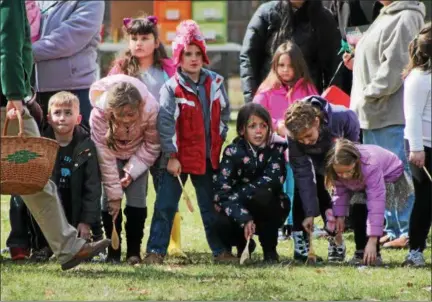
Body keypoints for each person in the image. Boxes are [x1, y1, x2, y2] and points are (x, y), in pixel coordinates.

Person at [0, 0, 110, 271]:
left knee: (36, 175)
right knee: (35, 173)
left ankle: (68, 246)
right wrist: (15, 93)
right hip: (8, 99)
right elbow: (9, 42)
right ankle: (67, 246)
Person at [143, 20, 235, 264]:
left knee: (210, 207)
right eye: (187, 54)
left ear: (204, 55)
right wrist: (171, 156)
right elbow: (165, 123)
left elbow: (224, 113)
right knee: (165, 206)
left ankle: (221, 251)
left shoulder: (215, 83)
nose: (193, 59)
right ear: (178, 57)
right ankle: (155, 251)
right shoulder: (171, 88)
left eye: (197, 54)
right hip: (178, 160)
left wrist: (220, 137)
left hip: (206, 157)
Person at [343, 0, 425, 248]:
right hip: (372, 112)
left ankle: (405, 230)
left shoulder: (407, 16)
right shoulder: (386, 14)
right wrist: (356, 63)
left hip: (389, 111)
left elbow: (397, 65)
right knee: (379, 175)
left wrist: (368, 93)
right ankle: (392, 228)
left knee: (397, 172)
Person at [107, 15, 184, 258]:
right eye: (134, 38)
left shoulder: (168, 69)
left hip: (160, 140)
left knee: (166, 192)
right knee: (131, 194)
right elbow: (108, 100)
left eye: (145, 38)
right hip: (130, 142)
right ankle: (123, 247)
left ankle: (172, 243)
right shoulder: (120, 69)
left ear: (156, 41)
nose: (139, 43)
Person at [89, 75, 160, 265]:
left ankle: (134, 252)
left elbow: (153, 145)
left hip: (139, 155)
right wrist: (114, 195)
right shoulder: (98, 115)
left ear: (140, 107)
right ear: (111, 111)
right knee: (109, 202)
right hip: (111, 157)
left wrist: (132, 171)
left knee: (137, 201)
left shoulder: (150, 109)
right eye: (122, 115)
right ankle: (113, 252)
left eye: (131, 114)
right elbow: (104, 157)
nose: (127, 120)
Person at [253, 40, 317, 240]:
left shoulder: (307, 89)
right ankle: (280, 224)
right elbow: (256, 115)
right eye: (281, 65)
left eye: (290, 66)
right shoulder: (266, 90)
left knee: (298, 187)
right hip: (275, 150)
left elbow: (317, 112)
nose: (286, 70)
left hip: (301, 150)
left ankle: (295, 223)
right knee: (279, 188)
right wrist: (276, 125)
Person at [284, 95, 360, 262]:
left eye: (308, 135)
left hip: (339, 157)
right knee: (302, 186)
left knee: (335, 192)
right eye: (300, 139)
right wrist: (310, 213)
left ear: (317, 122)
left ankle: (336, 238)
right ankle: (302, 244)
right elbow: (303, 174)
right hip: (313, 161)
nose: (305, 141)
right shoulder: (293, 133)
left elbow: (353, 150)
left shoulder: (342, 117)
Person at [28, 92, 102, 262]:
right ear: (48, 118)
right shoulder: (41, 143)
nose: (62, 118)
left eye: (68, 113)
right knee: (38, 201)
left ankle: (88, 240)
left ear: (78, 118)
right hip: (50, 202)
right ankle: (42, 247)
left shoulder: (87, 145)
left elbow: (92, 187)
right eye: (57, 113)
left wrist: (86, 221)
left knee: (88, 206)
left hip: (75, 201)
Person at [213, 103, 291, 263]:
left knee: (266, 196)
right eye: (252, 126)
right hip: (238, 207)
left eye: (263, 126)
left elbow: (274, 180)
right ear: (242, 130)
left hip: (267, 205)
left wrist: (240, 195)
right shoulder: (233, 152)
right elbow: (222, 190)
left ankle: (270, 251)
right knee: (219, 215)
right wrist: (244, 216)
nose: (258, 131)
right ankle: (242, 245)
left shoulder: (276, 149)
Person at [326, 139, 413, 266]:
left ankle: (374, 254)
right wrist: (340, 216)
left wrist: (372, 240)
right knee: (357, 208)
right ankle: (361, 252)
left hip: (390, 176)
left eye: (347, 171)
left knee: (367, 209)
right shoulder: (338, 168)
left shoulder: (370, 165)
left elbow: (376, 204)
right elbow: (340, 192)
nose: (343, 176)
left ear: (355, 163)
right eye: (340, 173)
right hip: (361, 181)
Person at [240, 0, 341, 103]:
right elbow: (249, 58)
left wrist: (328, 106)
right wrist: (252, 103)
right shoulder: (267, 13)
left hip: (308, 103)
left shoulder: (323, 19)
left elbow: (335, 66)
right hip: (269, 101)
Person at [33, 0, 105, 128]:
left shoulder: (92, 2)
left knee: (76, 146)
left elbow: (67, 39)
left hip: (73, 91)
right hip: (34, 94)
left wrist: (24, 53)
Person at [402, 23, 431, 267]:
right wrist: (416, 149)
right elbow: (412, 116)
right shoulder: (419, 78)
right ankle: (415, 250)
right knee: (425, 199)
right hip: (423, 148)